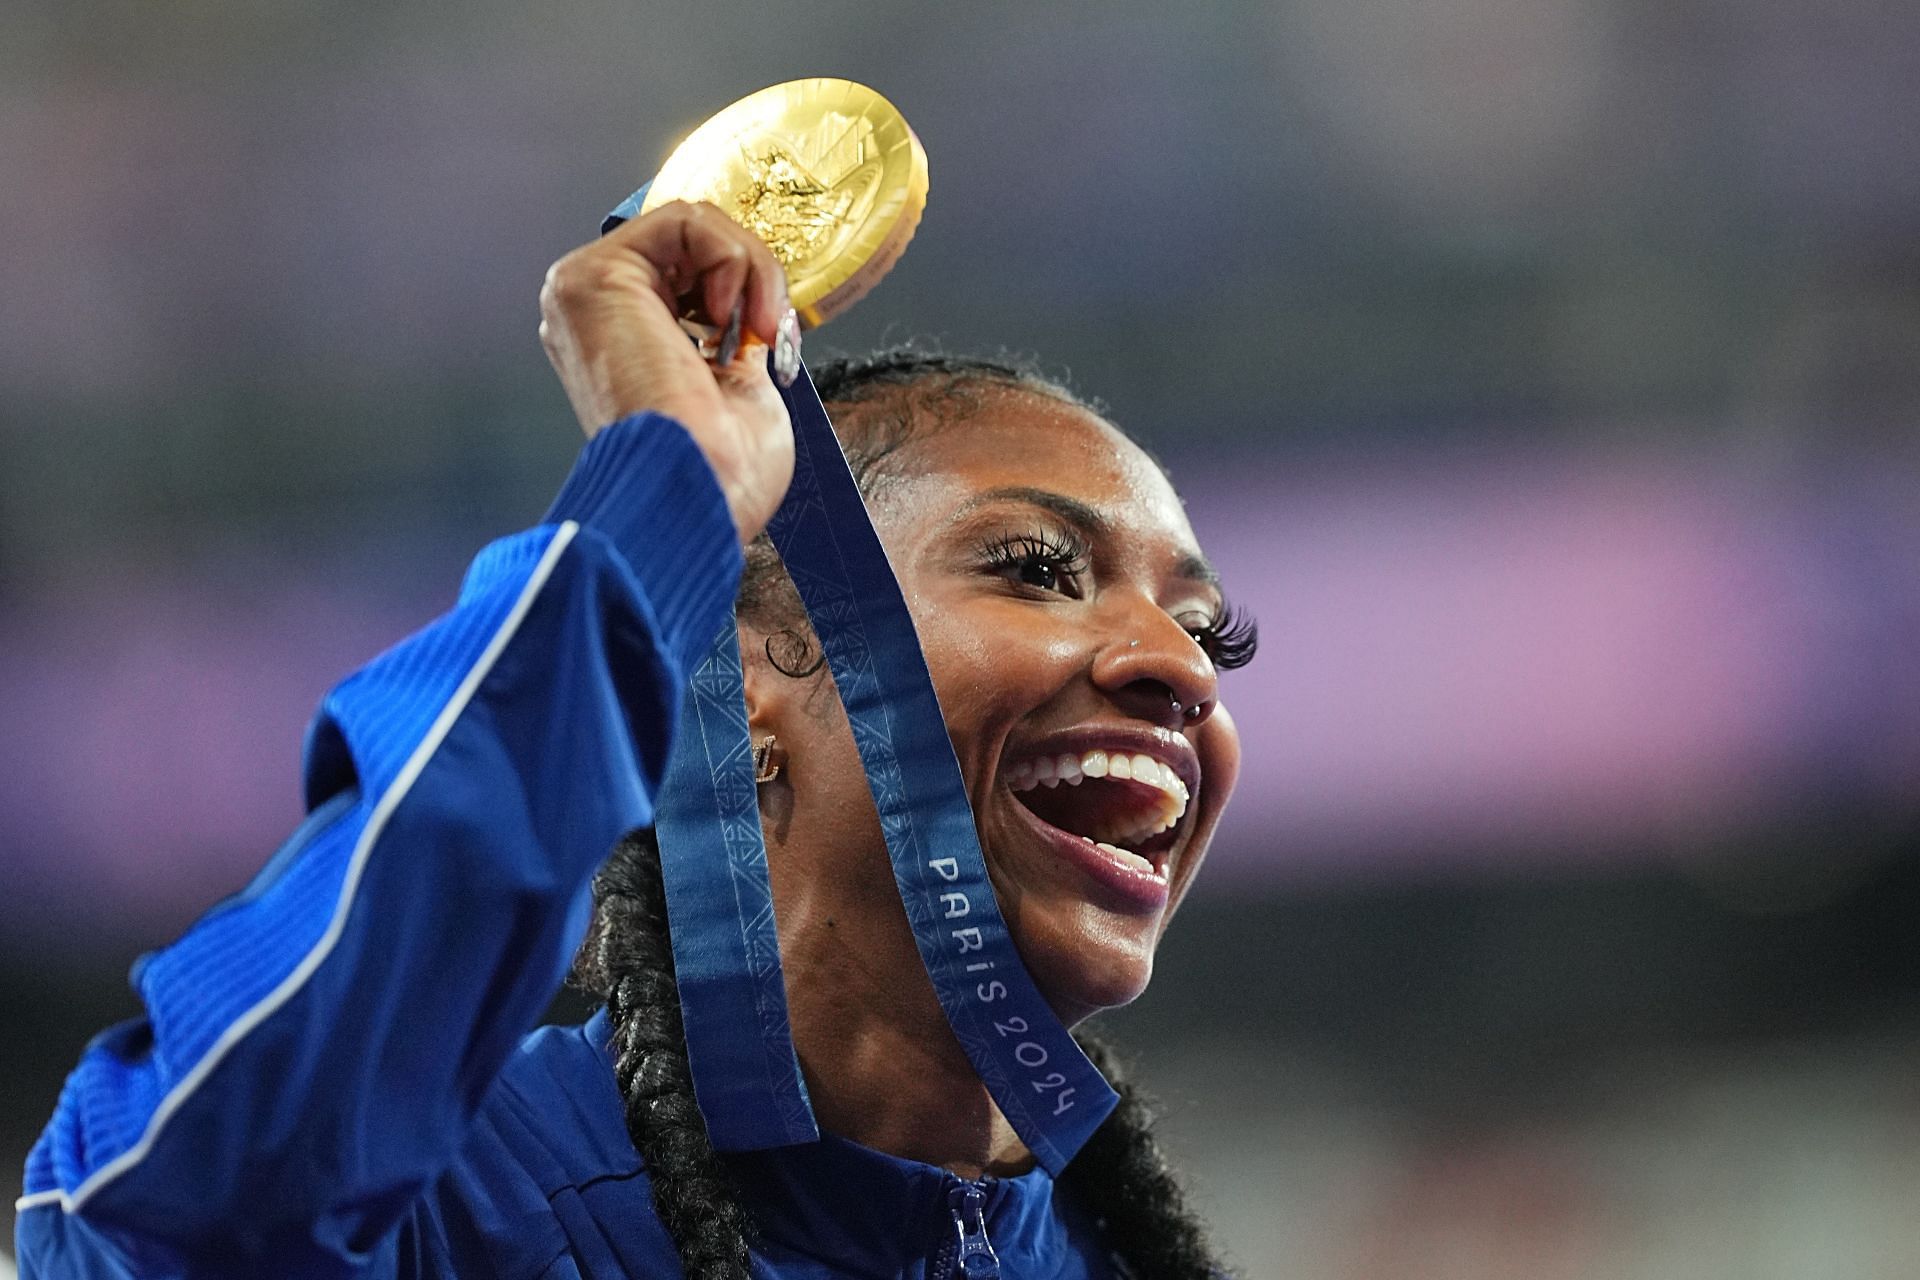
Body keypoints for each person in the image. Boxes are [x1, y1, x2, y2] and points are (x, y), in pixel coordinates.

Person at [14, 200, 1255, 1278]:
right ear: (749, 681)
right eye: (1037, 568)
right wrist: (671, 497)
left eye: (1211, 630)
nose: (1179, 663)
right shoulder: (461, 1209)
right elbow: (174, 1215)